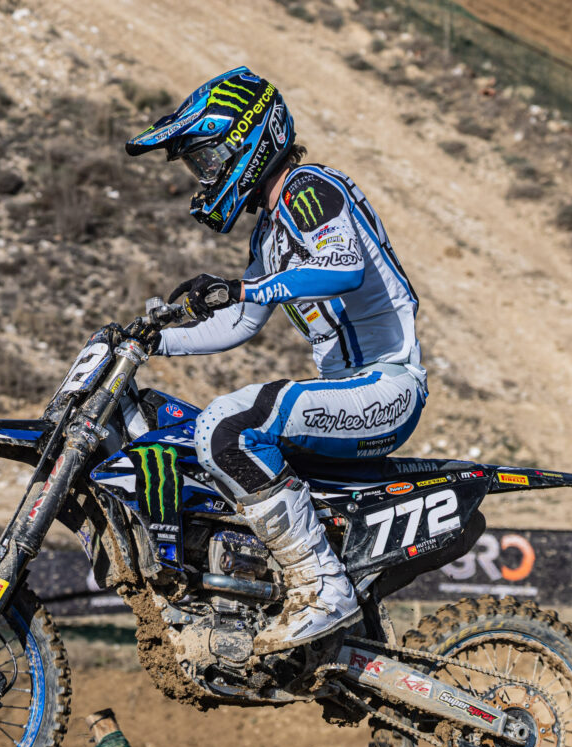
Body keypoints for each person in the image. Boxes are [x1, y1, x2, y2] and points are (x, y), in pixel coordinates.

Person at [125, 66, 427, 655]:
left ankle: (321, 587)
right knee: (199, 443)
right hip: (350, 393)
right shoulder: (268, 231)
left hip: (385, 387)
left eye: (208, 158)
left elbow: (343, 267)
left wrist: (241, 287)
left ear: (250, 139)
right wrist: (151, 341)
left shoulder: (308, 189)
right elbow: (239, 323)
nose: (205, 175)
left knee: (228, 426)